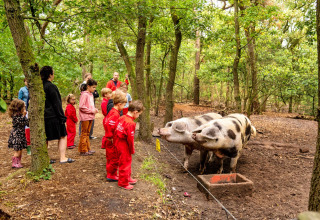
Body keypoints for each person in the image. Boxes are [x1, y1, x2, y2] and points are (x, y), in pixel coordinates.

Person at [41, 66, 75, 164]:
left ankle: (45, 159)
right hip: (53, 116)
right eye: (53, 73)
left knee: (44, 137)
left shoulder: (38, 86)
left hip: (42, 116)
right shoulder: (51, 86)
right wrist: (62, 116)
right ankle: (62, 157)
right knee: (63, 136)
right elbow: (56, 103)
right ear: (50, 75)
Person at [115, 100, 144, 190]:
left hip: (118, 142)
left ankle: (127, 177)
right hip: (124, 145)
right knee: (125, 163)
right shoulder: (131, 123)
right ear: (135, 112)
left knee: (127, 161)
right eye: (139, 114)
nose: (138, 116)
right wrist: (132, 149)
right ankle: (123, 183)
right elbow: (130, 139)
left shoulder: (122, 117)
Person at [104, 90, 127, 181]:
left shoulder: (114, 112)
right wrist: (110, 137)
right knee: (113, 157)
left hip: (112, 138)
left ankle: (112, 173)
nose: (124, 107)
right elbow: (109, 124)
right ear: (119, 104)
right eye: (124, 105)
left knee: (112, 157)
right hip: (112, 140)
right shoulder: (114, 113)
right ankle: (111, 175)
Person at [79, 78, 99, 156]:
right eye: (93, 87)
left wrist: (94, 109)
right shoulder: (84, 94)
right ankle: (83, 150)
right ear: (88, 86)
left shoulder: (91, 95)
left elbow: (90, 106)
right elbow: (81, 106)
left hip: (90, 117)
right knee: (84, 133)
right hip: (85, 117)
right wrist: (91, 111)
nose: (94, 89)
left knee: (87, 133)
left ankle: (88, 148)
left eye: (95, 87)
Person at [8, 99, 29, 168]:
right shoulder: (16, 116)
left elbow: (27, 123)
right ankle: (15, 163)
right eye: (23, 107)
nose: (24, 109)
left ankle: (18, 161)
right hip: (17, 134)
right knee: (17, 150)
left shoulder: (19, 116)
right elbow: (23, 122)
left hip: (20, 134)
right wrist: (24, 116)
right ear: (19, 108)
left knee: (20, 149)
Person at [18, 78, 31, 155]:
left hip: (32, 110)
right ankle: (27, 146)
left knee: (30, 127)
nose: (27, 82)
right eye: (26, 81)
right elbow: (19, 100)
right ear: (24, 82)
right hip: (24, 110)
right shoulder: (22, 90)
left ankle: (30, 144)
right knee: (26, 127)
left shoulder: (33, 89)